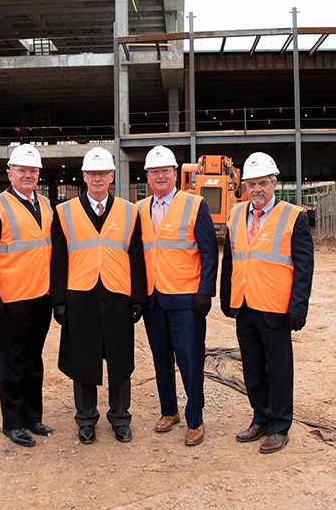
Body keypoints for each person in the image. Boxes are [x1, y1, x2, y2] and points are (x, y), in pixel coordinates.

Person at [50, 147, 147, 444]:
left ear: (112, 176)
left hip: (118, 295)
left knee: (120, 362)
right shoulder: (64, 212)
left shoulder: (130, 212)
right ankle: (86, 419)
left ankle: (120, 418)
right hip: (80, 296)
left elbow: (137, 257)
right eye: (92, 174)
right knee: (84, 361)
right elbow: (58, 260)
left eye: (103, 173)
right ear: (83, 176)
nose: (97, 179)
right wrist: (58, 300)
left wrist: (138, 298)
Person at [219, 152, 314, 454]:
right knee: (253, 368)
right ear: (244, 186)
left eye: (262, 183)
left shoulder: (294, 216)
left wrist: (298, 307)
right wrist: (225, 296)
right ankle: (260, 417)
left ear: (274, 183)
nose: (256, 189)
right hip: (245, 305)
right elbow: (230, 260)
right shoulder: (236, 214)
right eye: (251, 184)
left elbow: (304, 267)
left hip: (276, 308)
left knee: (279, 369)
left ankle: (280, 425)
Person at [0, 144, 54, 448]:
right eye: (22, 170)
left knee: (34, 362)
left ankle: (33, 417)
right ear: (10, 173)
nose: (28, 175)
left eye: (33, 171)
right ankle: (13, 423)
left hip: (40, 299)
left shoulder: (45, 205)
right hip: (11, 302)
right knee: (11, 364)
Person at [137, 145, 218, 446]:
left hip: (186, 300)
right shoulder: (141, 209)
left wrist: (205, 292)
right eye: (154, 171)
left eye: (165, 171)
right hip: (154, 298)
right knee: (161, 359)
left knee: (190, 360)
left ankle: (195, 418)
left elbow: (210, 253)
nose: (160, 176)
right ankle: (169, 411)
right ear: (147, 176)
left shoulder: (195, 205)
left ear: (175, 174)